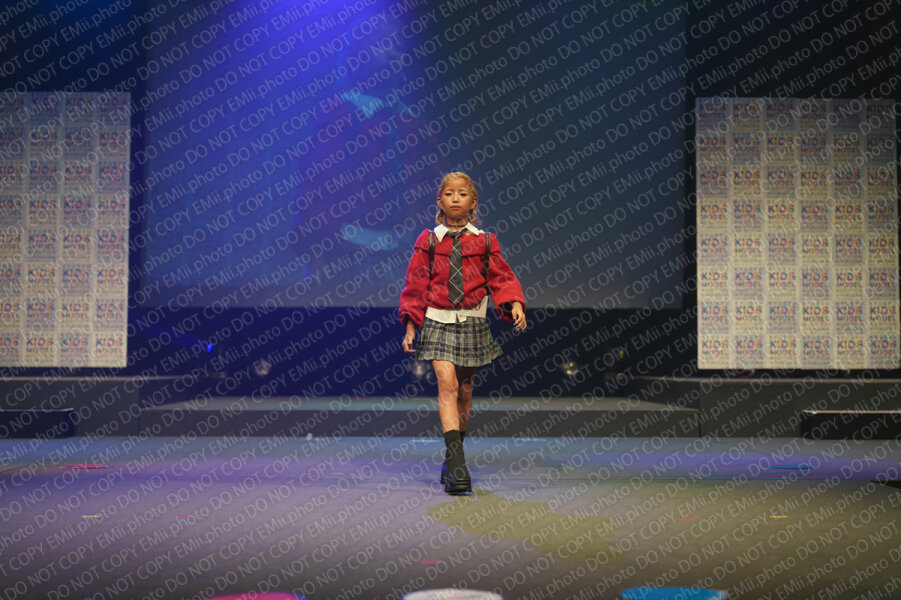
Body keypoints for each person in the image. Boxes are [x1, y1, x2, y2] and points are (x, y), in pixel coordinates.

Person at [399, 172, 526, 494]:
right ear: (439, 201)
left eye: (462, 194)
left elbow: (501, 277)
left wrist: (514, 303)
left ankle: (451, 456)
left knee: (465, 391)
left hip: (471, 321)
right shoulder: (429, 240)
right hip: (437, 319)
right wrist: (411, 324)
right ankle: (458, 464)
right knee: (447, 383)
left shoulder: (485, 241)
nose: (455, 198)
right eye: (449, 194)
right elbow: (415, 284)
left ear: (473, 202)